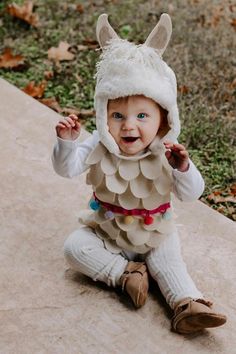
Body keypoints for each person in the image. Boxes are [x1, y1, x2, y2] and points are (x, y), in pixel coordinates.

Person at [52, 13, 227, 334]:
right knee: (74, 248)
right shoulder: (98, 142)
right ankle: (124, 273)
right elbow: (68, 169)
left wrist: (184, 169)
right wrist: (67, 144)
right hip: (105, 231)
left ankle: (187, 303)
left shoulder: (169, 151)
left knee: (168, 263)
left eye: (142, 115)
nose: (128, 125)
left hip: (155, 230)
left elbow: (191, 194)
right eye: (117, 115)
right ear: (104, 112)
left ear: (164, 119)